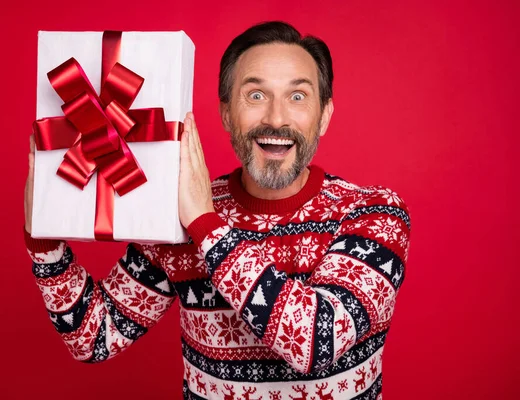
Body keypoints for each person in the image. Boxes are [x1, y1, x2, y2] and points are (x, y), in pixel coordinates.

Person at [24, 21, 411, 400]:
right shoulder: (182, 212)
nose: (276, 118)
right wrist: (44, 245)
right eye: (255, 95)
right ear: (226, 114)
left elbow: (313, 342)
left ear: (324, 116)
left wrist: (206, 225)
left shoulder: (375, 214)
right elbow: (94, 337)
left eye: (297, 97)